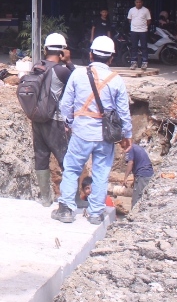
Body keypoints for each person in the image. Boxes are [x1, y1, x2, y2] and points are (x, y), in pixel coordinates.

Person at [53, 35, 132, 225]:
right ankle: (96, 213)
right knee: (101, 173)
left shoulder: (78, 74)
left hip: (81, 132)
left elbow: (65, 105)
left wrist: (70, 123)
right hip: (105, 135)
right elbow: (123, 112)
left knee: (71, 169)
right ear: (111, 58)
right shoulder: (117, 80)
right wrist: (127, 135)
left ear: (90, 55)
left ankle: (66, 210)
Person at [18, 33, 74, 207]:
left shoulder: (37, 66)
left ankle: (45, 199)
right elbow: (80, 81)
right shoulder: (62, 70)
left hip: (37, 119)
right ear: (63, 51)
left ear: (45, 49)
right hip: (55, 121)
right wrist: (69, 62)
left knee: (41, 157)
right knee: (66, 160)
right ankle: (70, 200)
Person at [125, 143, 154, 207]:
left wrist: (125, 178)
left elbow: (130, 163)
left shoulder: (130, 149)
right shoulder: (137, 147)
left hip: (143, 175)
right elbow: (138, 164)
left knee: (136, 199)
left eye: (121, 143)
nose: (121, 146)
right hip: (146, 174)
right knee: (143, 197)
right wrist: (135, 180)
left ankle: (133, 216)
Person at [126, 0, 152, 70]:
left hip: (143, 31)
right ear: (135, 3)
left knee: (144, 47)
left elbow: (149, 21)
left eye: (140, 2)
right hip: (134, 30)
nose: (138, 3)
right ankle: (134, 62)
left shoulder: (146, 10)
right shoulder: (131, 10)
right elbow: (129, 19)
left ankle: (144, 62)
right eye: (137, 2)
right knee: (134, 47)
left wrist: (143, 26)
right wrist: (135, 26)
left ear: (142, 2)